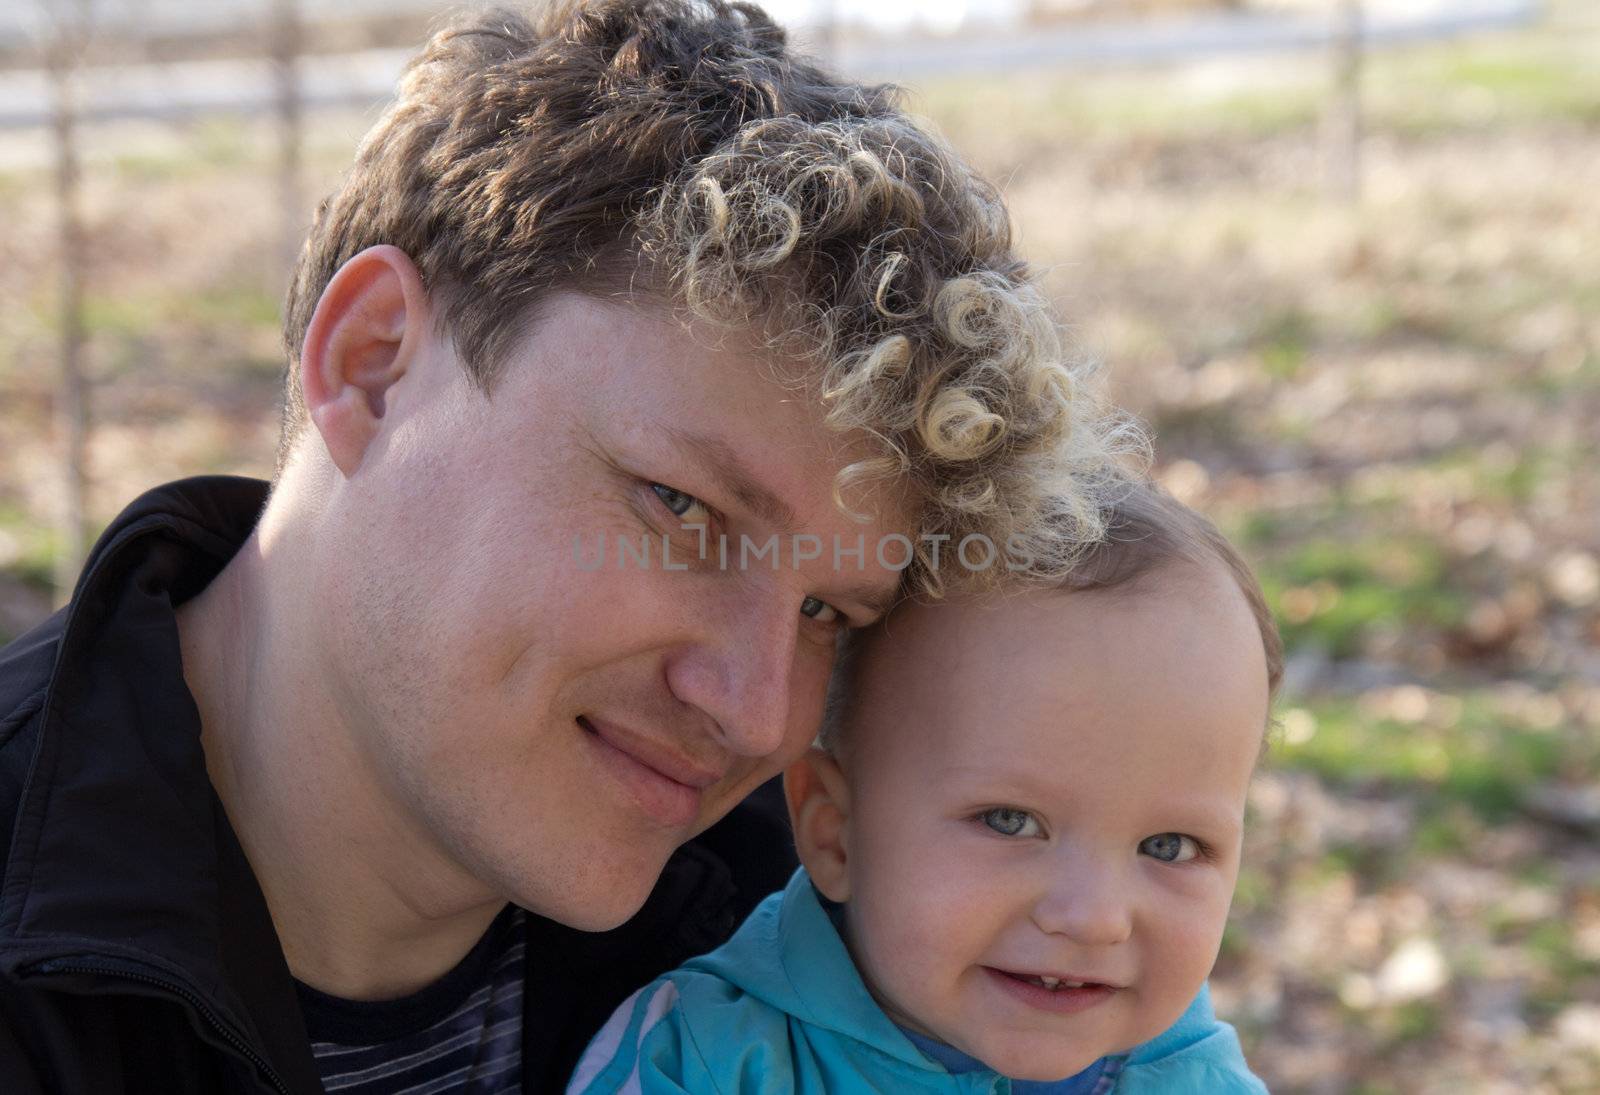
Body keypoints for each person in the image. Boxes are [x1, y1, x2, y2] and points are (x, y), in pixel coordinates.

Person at [0, 2, 1132, 1092]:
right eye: (683, 510)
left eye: (827, 612)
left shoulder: (822, 948)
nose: (752, 713)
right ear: (372, 363)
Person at [570, 481, 1283, 1094]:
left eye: (1169, 844)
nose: (1094, 917)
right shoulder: (702, 1063)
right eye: (1009, 820)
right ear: (834, 832)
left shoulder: (1189, 1071)